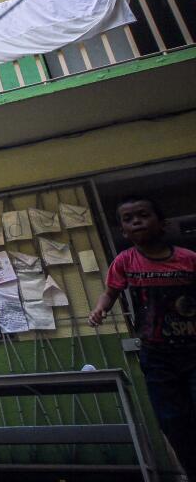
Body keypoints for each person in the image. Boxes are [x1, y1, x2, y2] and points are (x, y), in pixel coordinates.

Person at [89, 197, 195, 479]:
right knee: (173, 420)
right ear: (123, 231)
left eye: (143, 215)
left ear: (162, 224)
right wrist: (100, 309)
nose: (136, 221)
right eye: (128, 219)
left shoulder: (188, 258)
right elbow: (111, 291)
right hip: (156, 354)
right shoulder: (125, 261)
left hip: (193, 349)